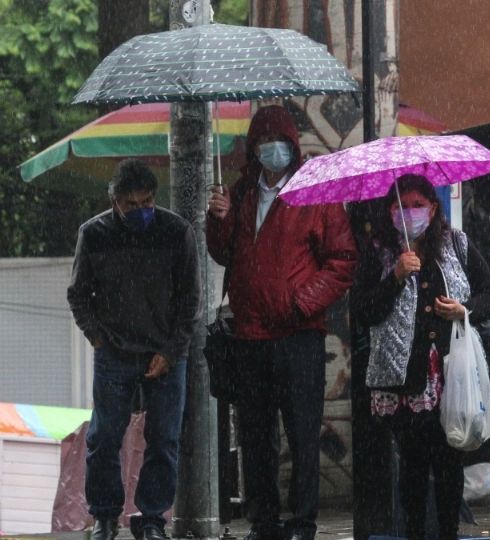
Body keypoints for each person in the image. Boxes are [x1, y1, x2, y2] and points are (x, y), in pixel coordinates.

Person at [206, 105, 358, 540]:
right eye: (264, 142)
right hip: (250, 336)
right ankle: (264, 522)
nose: (273, 150)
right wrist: (217, 222)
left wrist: (301, 301)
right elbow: (225, 253)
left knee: (302, 431)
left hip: (298, 335)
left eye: (281, 142)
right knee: (255, 436)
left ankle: (303, 522)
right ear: (254, 148)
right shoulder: (241, 194)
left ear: (292, 146)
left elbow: (343, 260)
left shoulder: (317, 194)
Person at [351, 174, 490, 540]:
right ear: (390, 211)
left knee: (450, 464)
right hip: (404, 378)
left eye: (419, 205)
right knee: (413, 468)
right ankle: (415, 531)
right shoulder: (380, 251)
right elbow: (364, 311)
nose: (411, 213)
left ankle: (448, 531)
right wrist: (396, 277)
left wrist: (463, 310)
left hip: (450, 373)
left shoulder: (457, 245)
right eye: (403, 206)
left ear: (433, 208)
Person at [67, 158, 201, 540]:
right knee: (105, 436)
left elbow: (190, 300)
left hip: (166, 351)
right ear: (115, 201)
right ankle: (105, 517)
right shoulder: (93, 234)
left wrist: (171, 352)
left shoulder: (177, 232)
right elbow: (78, 295)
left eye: (148, 203)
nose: (141, 211)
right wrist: (98, 338)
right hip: (114, 352)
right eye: (132, 205)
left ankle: (153, 518)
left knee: (164, 438)